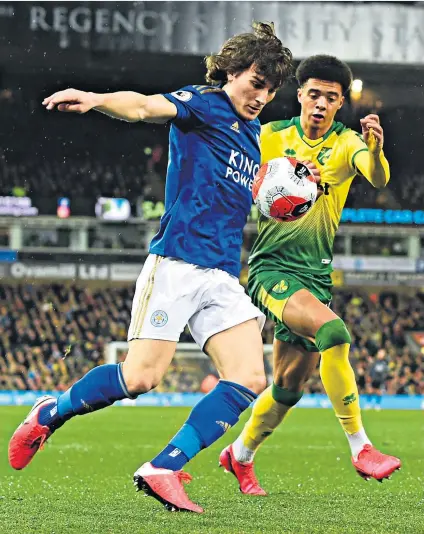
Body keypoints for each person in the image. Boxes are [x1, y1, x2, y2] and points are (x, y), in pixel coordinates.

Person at [8, 23, 293, 514]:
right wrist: (97, 99)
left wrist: (283, 199)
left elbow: (238, 194)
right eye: (255, 83)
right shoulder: (204, 104)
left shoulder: (251, 136)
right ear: (230, 71)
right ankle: (50, 412)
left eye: (270, 89)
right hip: (178, 262)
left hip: (223, 275)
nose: (262, 97)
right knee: (141, 378)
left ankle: (164, 466)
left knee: (249, 377)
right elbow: (143, 106)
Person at [219, 55, 401, 495]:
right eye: (314, 94)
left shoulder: (346, 144)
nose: (321, 103)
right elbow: (232, 176)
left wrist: (374, 149)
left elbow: (376, 177)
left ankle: (239, 456)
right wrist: (261, 183)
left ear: (341, 104)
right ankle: (361, 447)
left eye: (331, 98)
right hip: (271, 270)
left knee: (288, 388)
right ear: (300, 95)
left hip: (314, 278)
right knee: (335, 332)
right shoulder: (269, 136)